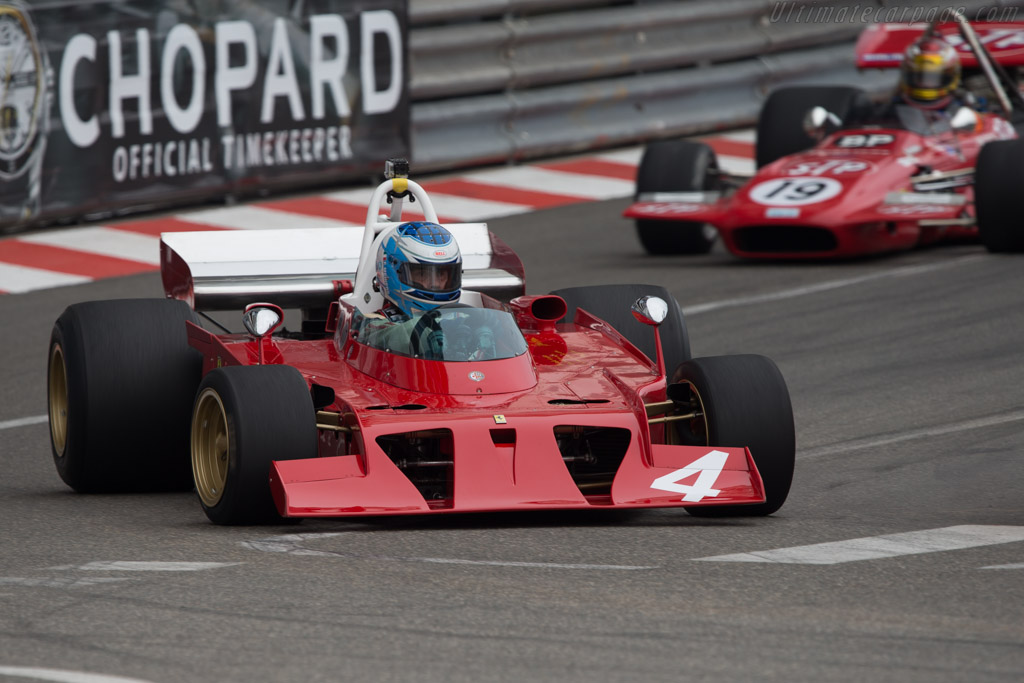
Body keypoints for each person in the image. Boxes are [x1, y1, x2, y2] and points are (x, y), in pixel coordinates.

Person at [354, 221, 463, 358]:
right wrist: (439, 330)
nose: (435, 284)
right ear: (393, 273)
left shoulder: (462, 318)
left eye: (441, 274)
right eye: (423, 274)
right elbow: (399, 337)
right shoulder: (372, 324)